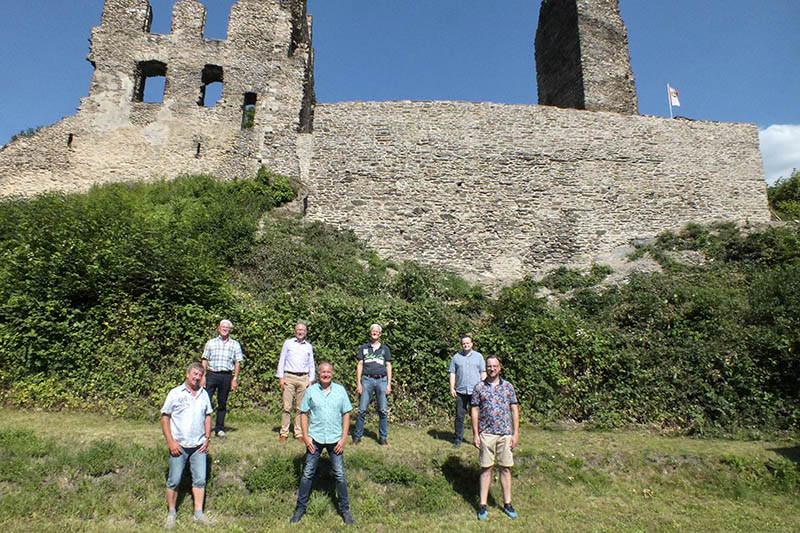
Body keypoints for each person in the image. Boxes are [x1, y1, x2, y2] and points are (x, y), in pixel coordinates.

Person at [290, 362, 354, 525]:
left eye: (328, 372)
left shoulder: (340, 391)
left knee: (339, 475)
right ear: (319, 374)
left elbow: (346, 414)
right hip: (315, 439)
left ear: (332, 373)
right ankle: (300, 509)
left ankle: (345, 510)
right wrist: (305, 436)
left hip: (335, 439)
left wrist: (344, 438)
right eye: (323, 372)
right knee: (307, 474)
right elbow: (303, 413)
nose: (326, 374)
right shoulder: (311, 391)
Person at [161, 362, 214, 529]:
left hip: (199, 446)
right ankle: (171, 513)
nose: (196, 377)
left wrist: (207, 438)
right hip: (179, 446)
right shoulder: (175, 393)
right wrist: (170, 441)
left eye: (200, 375)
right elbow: (165, 417)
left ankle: (198, 514)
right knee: (174, 480)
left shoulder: (203, 394)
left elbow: (208, 416)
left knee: (200, 480)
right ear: (187, 374)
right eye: (194, 374)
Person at [471, 356, 520, 521]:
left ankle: (507, 504)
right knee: (486, 469)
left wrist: (516, 433)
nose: (492, 368)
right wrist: (476, 434)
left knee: (505, 468)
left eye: (495, 366)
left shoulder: (508, 387)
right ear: (486, 368)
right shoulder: (479, 388)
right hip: (487, 434)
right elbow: (475, 411)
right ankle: (483, 505)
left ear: (500, 368)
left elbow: (514, 410)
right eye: (489, 366)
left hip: (505, 434)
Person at [201, 319, 243, 439]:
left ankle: (219, 429)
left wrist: (235, 378)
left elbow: (237, 362)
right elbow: (204, 359)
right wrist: (203, 376)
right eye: (223, 327)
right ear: (219, 329)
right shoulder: (211, 343)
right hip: (212, 375)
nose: (225, 329)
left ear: (230, 330)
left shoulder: (235, 344)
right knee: (205, 402)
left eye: (227, 327)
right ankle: (202, 428)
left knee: (222, 403)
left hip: (226, 376)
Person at [352, 323, 392, 445]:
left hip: (382, 380)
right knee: (362, 410)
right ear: (370, 333)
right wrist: (358, 383)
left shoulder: (385, 349)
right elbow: (360, 365)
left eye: (377, 331)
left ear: (380, 334)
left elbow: (389, 366)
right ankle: (357, 436)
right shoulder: (364, 348)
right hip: (366, 380)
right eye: (373, 331)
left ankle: (383, 437)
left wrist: (389, 384)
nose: (375, 333)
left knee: (383, 411)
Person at [276, 321, 316, 441]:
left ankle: (298, 433)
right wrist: (281, 377)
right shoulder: (288, 343)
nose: (300, 332)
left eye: (302, 330)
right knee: (286, 407)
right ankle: (284, 432)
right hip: (289, 377)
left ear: (306, 332)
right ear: (295, 331)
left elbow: (311, 364)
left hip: (304, 378)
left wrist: (311, 380)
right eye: (298, 330)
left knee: (301, 408)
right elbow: (282, 360)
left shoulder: (308, 346)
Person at [448, 335, 486, 447]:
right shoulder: (456, 357)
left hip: (476, 392)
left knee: (478, 416)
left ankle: (480, 438)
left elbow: (483, 372)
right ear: (461, 345)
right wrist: (451, 388)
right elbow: (452, 373)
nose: (466, 345)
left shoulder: (479, 357)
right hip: (461, 392)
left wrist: (485, 388)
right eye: (464, 343)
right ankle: (458, 439)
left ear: (472, 343)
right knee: (459, 416)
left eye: (468, 343)